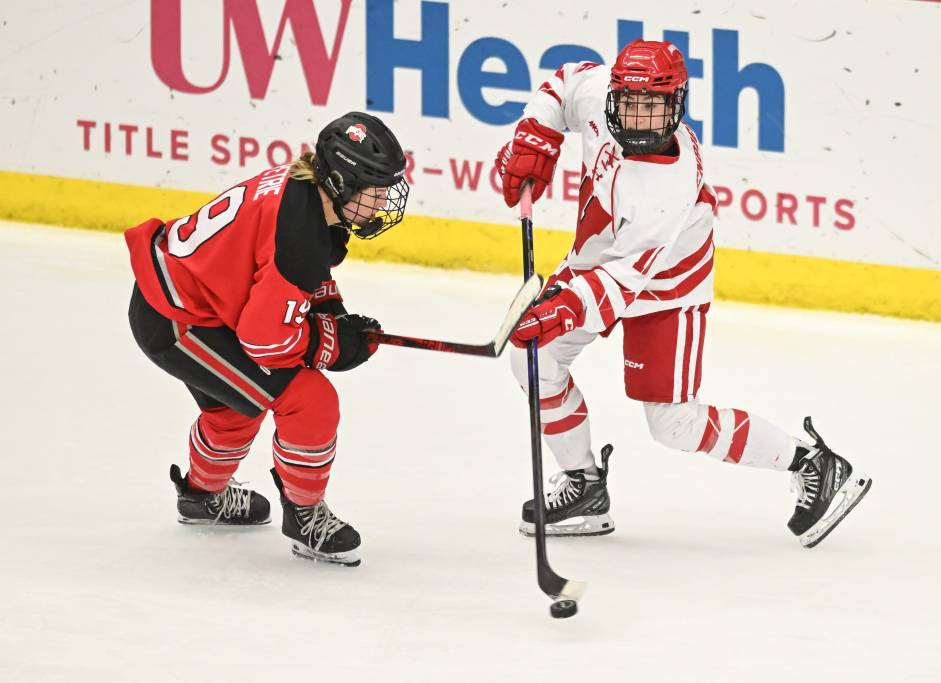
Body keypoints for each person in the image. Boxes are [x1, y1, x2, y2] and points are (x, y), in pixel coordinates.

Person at [494, 40, 871, 548]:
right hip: (596, 264)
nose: (640, 116)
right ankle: (584, 484)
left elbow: (627, 279)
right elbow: (562, 82)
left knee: (673, 425)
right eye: (629, 102)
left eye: (654, 106)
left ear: (676, 105)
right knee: (532, 359)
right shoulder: (602, 96)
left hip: (666, 287)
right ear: (614, 96)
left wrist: (564, 306)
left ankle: (814, 464)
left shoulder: (666, 186)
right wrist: (535, 136)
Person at [125, 112, 409, 565]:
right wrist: (334, 344)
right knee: (309, 398)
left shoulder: (309, 195)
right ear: (340, 180)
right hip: (179, 323)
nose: (384, 201)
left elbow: (290, 279)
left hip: (185, 301)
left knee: (234, 408)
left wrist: (331, 315)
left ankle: (201, 497)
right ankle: (304, 515)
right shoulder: (301, 234)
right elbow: (267, 342)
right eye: (376, 188)